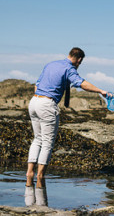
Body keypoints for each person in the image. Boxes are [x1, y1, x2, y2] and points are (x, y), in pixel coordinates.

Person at [26, 47, 109, 189]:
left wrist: (41, 99)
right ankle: (40, 176)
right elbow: (81, 83)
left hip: (34, 101)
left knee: (37, 139)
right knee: (47, 143)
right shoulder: (69, 68)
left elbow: (36, 85)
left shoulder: (51, 64)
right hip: (47, 104)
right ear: (79, 60)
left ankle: (29, 175)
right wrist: (100, 91)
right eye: (79, 63)